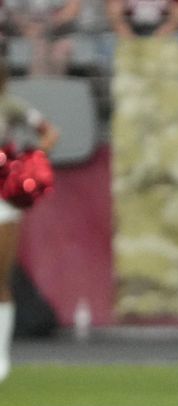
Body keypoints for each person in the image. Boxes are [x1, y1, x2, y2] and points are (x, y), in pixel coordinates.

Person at [0, 57, 60, 383]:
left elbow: (49, 132)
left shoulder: (10, 106)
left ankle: (0, 358)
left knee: (0, 279)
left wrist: (26, 167)